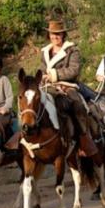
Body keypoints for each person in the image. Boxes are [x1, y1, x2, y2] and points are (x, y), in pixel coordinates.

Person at [40, 20, 98, 157]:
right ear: (49, 35)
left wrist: (54, 75)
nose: (55, 37)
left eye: (58, 34)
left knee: (77, 105)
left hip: (67, 85)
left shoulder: (73, 50)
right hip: (48, 86)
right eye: (53, 34)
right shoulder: (44, 52)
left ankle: (83, 140)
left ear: (63, 34)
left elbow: (73, 70)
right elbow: (42, 69)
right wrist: (41, 76)